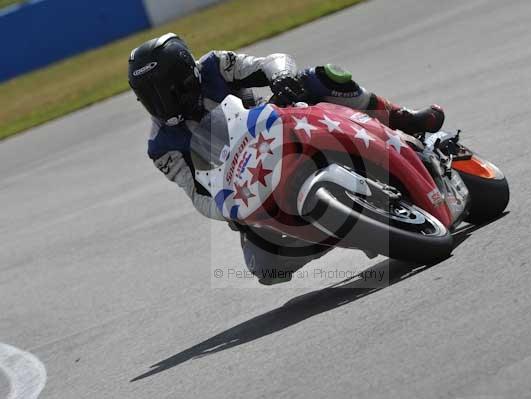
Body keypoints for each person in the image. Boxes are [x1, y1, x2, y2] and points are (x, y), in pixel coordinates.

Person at [128, 33, 445, 285]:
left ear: (185, 74)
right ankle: (336, 230)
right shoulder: (161, 147)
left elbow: (270, 62)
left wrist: (281, 76)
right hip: (252, 186)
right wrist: (228, 210)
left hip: (283, 126)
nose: (161, 102)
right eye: (150, 96)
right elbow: (197, 195)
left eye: (164, 90)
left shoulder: (214, 66)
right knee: (265, 268)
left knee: (322, 77)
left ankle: (403, 118)